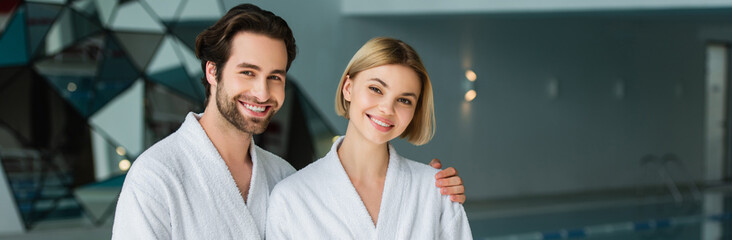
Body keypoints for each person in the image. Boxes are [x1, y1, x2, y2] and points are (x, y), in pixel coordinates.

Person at [112, 4, 466, 240]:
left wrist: (425, 188)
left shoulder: (282, 177)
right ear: (212, 72)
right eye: (247, 72)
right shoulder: (156, 176)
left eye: (275, 76)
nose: (261, 92)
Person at [266, 37, 473, 239]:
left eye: (404, 100)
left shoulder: (434, 192)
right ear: (348, 88)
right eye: (376, 89)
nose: (387, 108)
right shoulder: (291, 197)